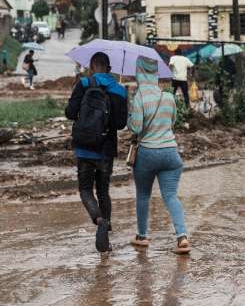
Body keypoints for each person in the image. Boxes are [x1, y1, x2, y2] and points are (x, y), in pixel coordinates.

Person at [65, 52, 128, 253]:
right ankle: (106, 233)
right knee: (103, 191)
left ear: (92, 67)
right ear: (109, 68)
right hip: (106, 150)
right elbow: (120, 124)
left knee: (85, 190)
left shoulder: (84, 83)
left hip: (84, 148)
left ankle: (98, 219)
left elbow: (69, 113)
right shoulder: (119, 89)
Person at [128, 56, 190, 254]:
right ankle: (182, 237)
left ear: (140, 73)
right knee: (171, 196)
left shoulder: (139, 98)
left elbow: (136, 127)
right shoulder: (168, 97)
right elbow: (172, 123)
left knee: (144, 195)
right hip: (171, 154)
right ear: (155, 74)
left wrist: (130, 113)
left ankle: (142, 236)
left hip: (147, 154)